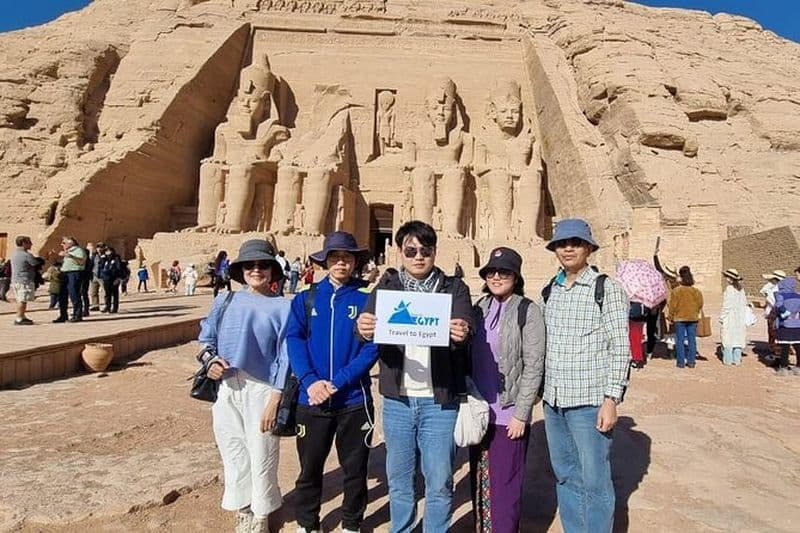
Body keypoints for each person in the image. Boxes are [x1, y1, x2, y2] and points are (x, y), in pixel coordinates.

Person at [356, 220, 473, 533]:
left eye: (426, 249)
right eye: (411, 250)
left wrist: (461, 331)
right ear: (399, 252)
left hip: (439, 399)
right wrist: (363, 327)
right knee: (400, 479)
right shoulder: (388, 286)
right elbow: (366, 328)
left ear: (435, 251)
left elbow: (465, 325)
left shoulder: (454, 287)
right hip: (399, 400)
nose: (418, 256)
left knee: (439, 480)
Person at [539, 218, 631, 533]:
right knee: (565, 474)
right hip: (554, 400)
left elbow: (621, 348)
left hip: (589, 401)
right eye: (562, 243)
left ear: (588, 247)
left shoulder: (607, 289)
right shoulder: (550, 290)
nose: (568, 248)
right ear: (554, 249)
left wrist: (611, 400)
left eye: (575, 242)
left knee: (594, 479)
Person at [287, 231, 378, 533]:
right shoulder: (306, 297)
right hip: (311, 398)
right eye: (335, 257)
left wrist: (337, 382)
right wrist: (311, 381)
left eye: (347, 257)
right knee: (310, 469)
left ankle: (351, 523)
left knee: (354, 470)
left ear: (355, 261)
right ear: (325, 261)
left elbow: (373, 347)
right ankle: (307, 523)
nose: (341, 262)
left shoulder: (368, 298)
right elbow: (294, 339)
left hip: (352, 399)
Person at [199, 240, 291, 533]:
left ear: (272, 270)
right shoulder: (224, 301)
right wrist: (209, 361)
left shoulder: (284, 306)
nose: (256, 270)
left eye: (263, 265)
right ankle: (244, 508)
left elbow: (286, 357)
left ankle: (261, 514)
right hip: (228, 385)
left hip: (262, 388)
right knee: (233, 449)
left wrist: (276, 397)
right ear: (240, 270)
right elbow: (205, 341)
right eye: (250, 265)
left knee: (262, 450)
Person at [469, 247, 545, 533]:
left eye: (504, 272)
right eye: (491, 272)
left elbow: (534, 365)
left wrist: (522, 413)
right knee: (480, 482)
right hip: (480, 411)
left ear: (516, 276)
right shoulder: (479, 308)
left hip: (509, 413)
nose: (497, 276)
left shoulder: (528, 310)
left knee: (505, 487)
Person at [667, 266, 704, 368]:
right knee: (692, 340)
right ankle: (691, 362)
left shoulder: (676, 291)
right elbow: (700, 304)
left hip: (679, 318)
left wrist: (670, 317)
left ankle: (680, 362)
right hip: (692, 318)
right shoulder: (696, 291)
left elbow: (672, 306)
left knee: (680, 340)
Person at [54, 236, 87, 323]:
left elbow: (82, 262)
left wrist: (70, 256)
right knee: (62, 295)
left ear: (71, 243)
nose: (62, 245)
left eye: (64, 243)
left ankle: (77, 315)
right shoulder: (67, 252)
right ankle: (63, 315)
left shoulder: (78, 250)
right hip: (65, 274)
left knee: (74, 294)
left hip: (74, 273)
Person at [774, 269, 800, 375]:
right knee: (798, 346)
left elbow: (780, 307)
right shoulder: (798, 296)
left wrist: (785, 314)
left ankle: (783, 367)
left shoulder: (780, 295)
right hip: (797, 325)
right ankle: (798, 367)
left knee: (785, 347)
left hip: (785, 325)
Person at [720, 269, 748, 366]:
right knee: (737, 338)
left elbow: (727, 305)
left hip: (730, 316)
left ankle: (728, 359)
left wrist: (722, 317)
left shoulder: (729, 289)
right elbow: (744, 303)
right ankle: (737, 359)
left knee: (728, 338)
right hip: (739, 316)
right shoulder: (741, 289)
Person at [10, 235, 39, 325]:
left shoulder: (14, 254)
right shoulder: (26, 255)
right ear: (23, 243)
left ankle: (22, 315)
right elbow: (35, 263)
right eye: (29, 242)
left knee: (20, 299)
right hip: (24, 280)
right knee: (22, 300)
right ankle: (19, 318)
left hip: (16, 279)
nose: (31, 244)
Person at [760, 270, 786, 357]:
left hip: (775, 313)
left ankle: (776, 352)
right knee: (774, 332)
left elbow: (773, 301)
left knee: (774, 332)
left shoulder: (776, 289)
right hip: (776, 312)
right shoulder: (774, 287)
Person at [98, 247, 123, 314]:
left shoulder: (116, 258)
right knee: (107, 294)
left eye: (109, 251)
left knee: (115, 294)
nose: (108, 252)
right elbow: (101, 266)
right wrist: (102, 258)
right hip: (106, 278)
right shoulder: (105, 259)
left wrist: (118, 277)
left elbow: (119, 268)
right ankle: (108, 306)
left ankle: (115, 308)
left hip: (114, 278)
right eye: (106, 251)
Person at [89, 242, 106, 311]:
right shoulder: (94, 256)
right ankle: (95, 305)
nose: (99, 249)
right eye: (98, 247)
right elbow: (91, 264)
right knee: (93, 292)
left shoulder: (106, 256)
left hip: (102, 276)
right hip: (94, 275)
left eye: (101, 247)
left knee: (105, 291)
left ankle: (107, 305)